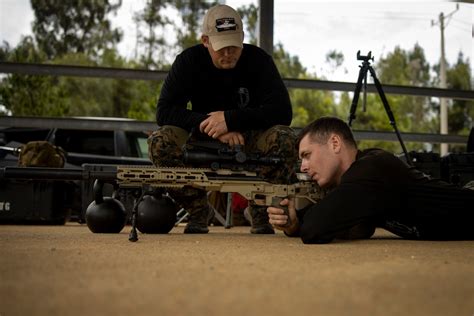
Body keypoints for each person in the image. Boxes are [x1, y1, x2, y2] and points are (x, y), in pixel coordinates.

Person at [148, 4, 297, 234]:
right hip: (201, 138)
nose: (228, 53)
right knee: (160, 142)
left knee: (285, 138)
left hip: (249, 137)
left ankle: (259, 210)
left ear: (243, 38)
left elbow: (282, 112)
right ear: (205, 41)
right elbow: (164, 111)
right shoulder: (188, 61)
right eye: (221, 48)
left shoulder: (259, 60)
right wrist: (211, 124)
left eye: (233, 46)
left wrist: (231, 120)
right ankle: (198, 211)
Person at [268, 116, 474, 244]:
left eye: (307, 155)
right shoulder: (362, 178)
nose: (303, 166)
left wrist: (301, 224)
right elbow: (358, 226)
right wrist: (293, 223)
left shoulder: (371, 168)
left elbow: (315, 228)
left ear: (335, 143)